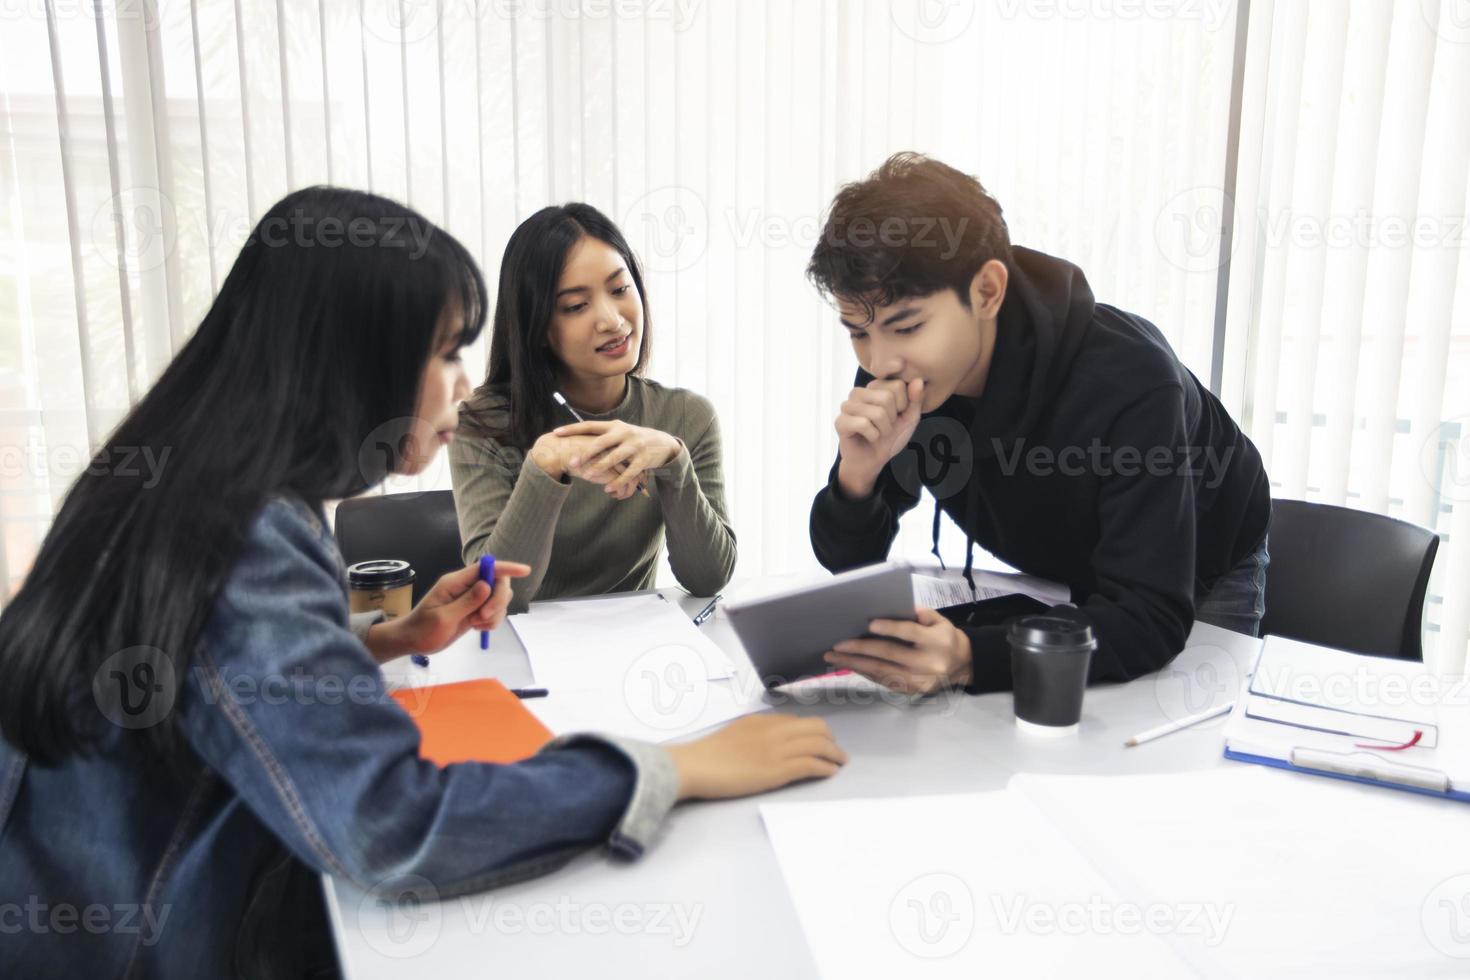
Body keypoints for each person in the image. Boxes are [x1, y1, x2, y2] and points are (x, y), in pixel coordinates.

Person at [0, 188, 845, 978]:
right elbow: (389, 825)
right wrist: (669, 768)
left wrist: (378, 640)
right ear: (352, 361)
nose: (464, 384)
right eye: (444, 352)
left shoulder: (194, 479)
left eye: (617, 289)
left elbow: (208, 673)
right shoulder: (245, 531)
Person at [808, 153, 1271, 696]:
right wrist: (857, 481)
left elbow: (1149, 618)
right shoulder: (899, 369)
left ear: (987, 292)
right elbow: (848, 562)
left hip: (1201, 563)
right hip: (1066, 575)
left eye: (906, 327)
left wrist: (969, 658)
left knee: (1168, 737)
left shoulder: (1132, 382)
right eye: (857, 332)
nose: (879, 360)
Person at [452, 203, 735, 613]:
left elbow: (708, 579)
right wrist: (544, 466)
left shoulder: (687, 417)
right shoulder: (483, 424)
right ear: (537, 326)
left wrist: (675, 462)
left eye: (620, 290)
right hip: (521, 657)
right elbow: (498, 595)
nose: (612, 320)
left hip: (636, 653)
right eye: (575, 306)